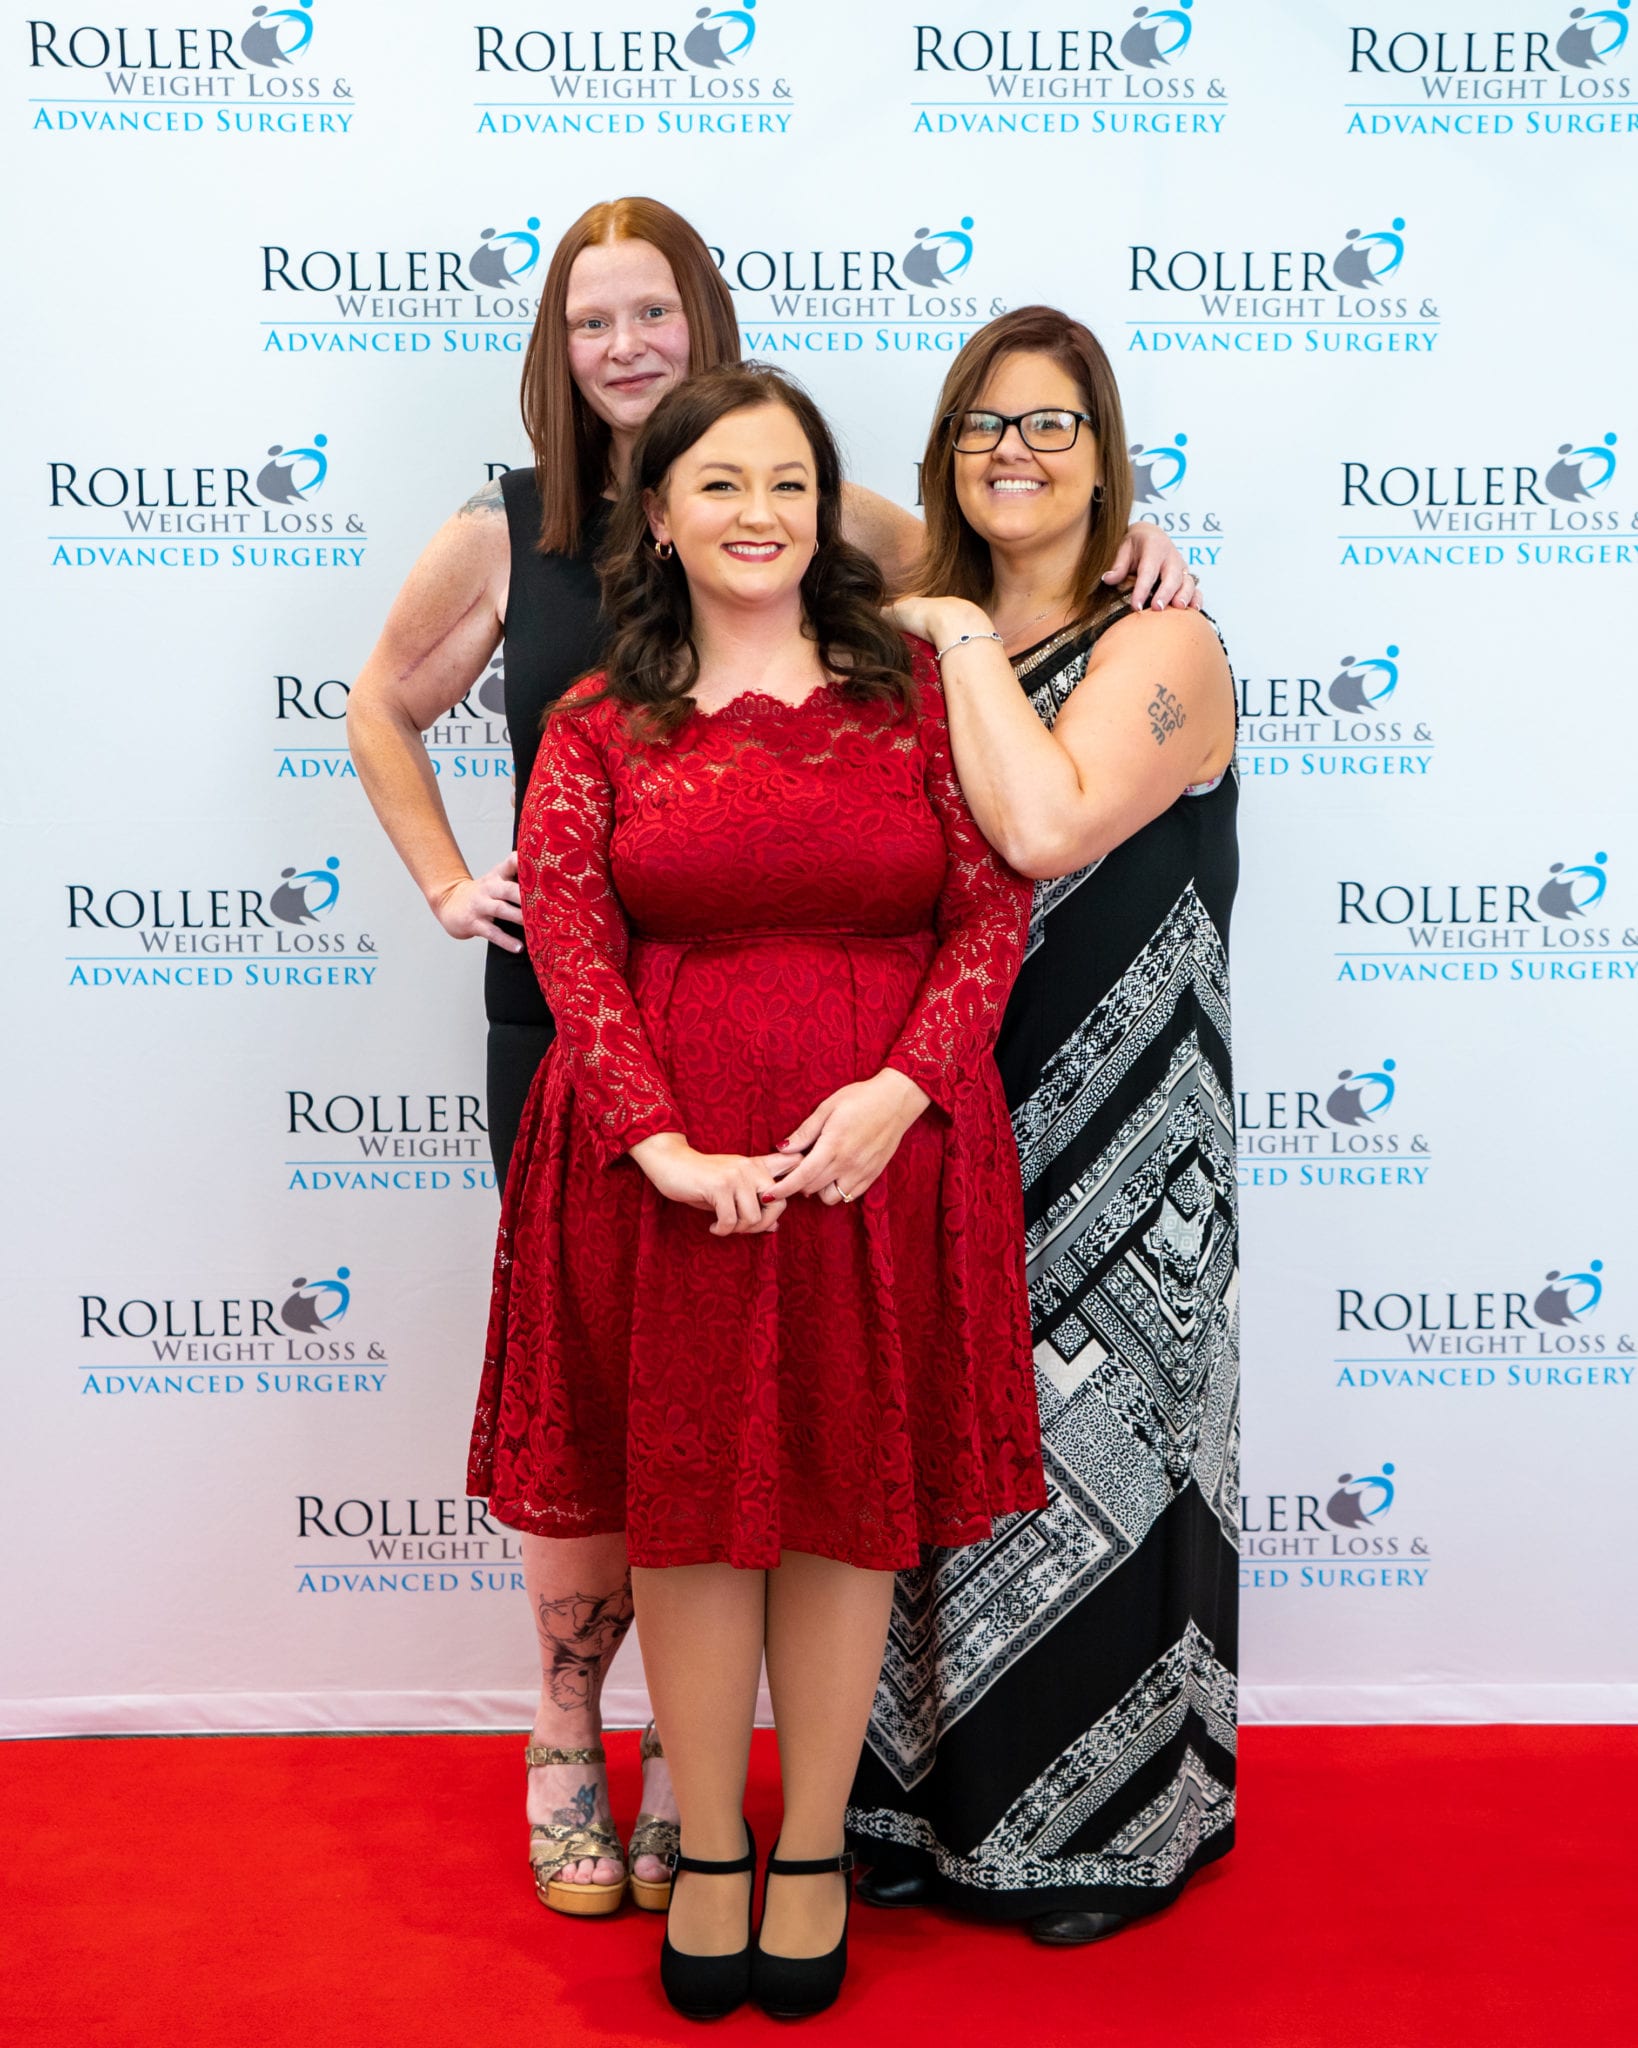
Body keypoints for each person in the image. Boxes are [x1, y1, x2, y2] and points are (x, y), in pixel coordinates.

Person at [346, 193, 1196, 1916]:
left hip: (864, 1134)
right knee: (639, 1450)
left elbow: (987, 582)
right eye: (593, 320)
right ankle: (582, 1747)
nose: (627, 345)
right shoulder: (517, 560)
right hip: (619, 1095)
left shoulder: (872, 614)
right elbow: (408, 727)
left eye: (653, 311)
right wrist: (455, 896)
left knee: (822, 1474)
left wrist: (1126, 527)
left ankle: (734, 1810)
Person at [467, 361, 1048, 2021]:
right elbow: (571, 945)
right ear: (658, 515)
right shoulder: (597, 720)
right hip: (665, 1172)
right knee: (689, 1513)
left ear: (824, 511)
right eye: (720, 482)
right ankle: (708, 1846)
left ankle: (808, 1851)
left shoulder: (912, 695)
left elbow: (990, 910)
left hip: (877, 1159)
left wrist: (898, 1092)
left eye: (789, 482)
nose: (759, 513)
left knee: (844, 1512)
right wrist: (656, 1144)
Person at [846, 306, 1241, 1946]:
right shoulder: (914, 617)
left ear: (1104, 456)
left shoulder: (1160, 646)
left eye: (1050, 426)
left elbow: (1046, 818)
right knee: (930, 1456)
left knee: (1103, 1466)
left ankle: (1118, 1831)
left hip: (1126, 1138)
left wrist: (946, 628)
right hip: (934, 1109)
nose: (1012, 452)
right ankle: (908, 1810)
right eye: (982, 424)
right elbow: (788, 485)